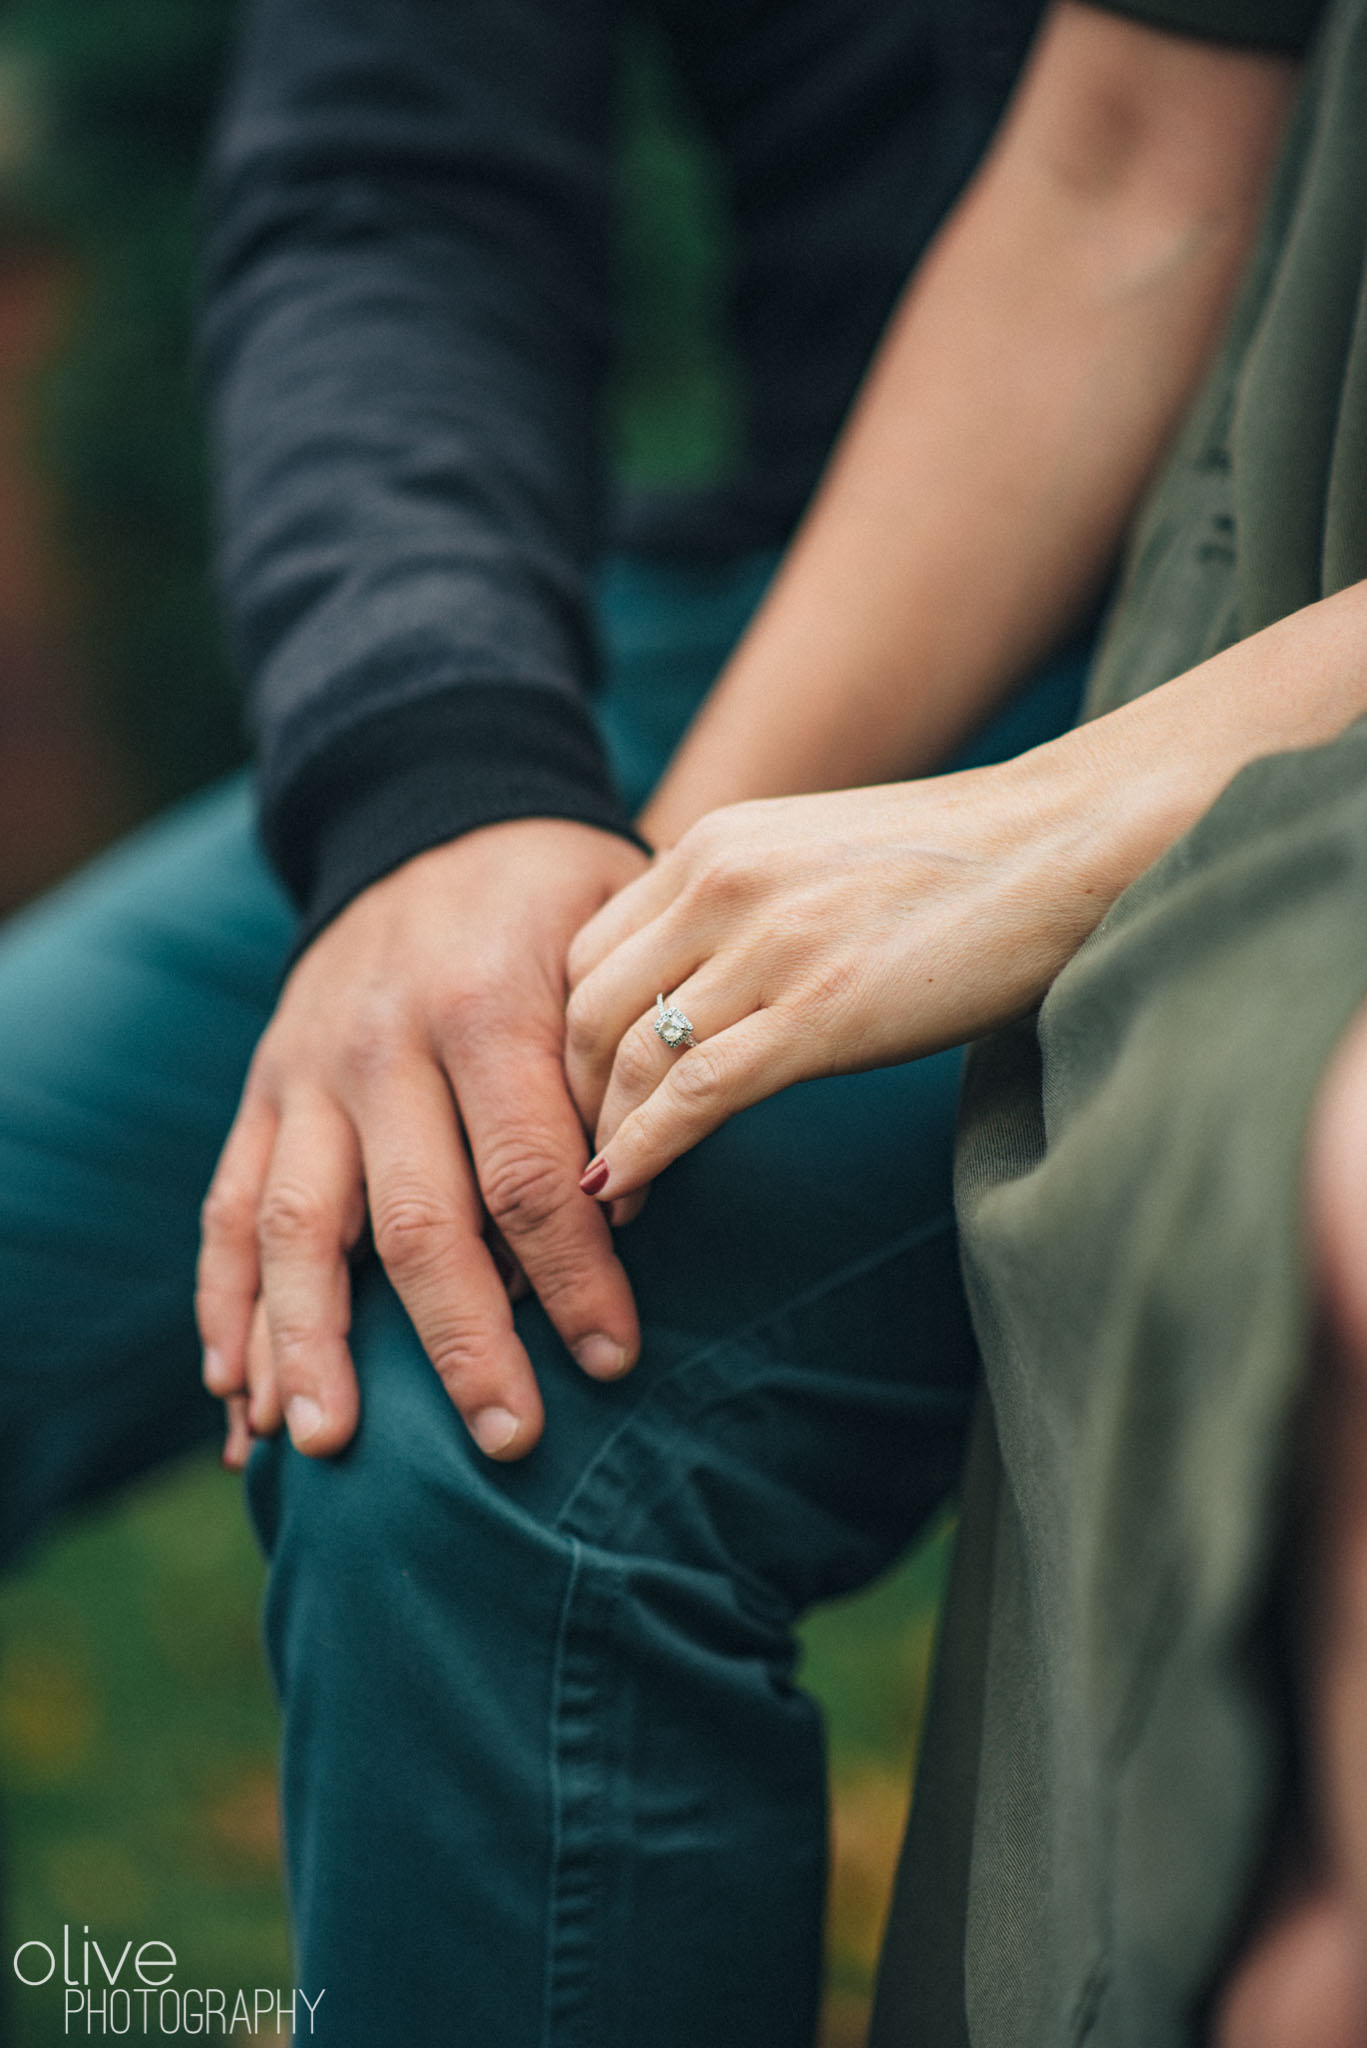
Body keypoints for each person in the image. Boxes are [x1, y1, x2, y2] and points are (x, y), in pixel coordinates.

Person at [555, 0, 1367, 2040]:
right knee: (460, 1361)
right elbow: (1119, 161)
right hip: (1226, 586)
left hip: (1239, 747)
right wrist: (628, 924)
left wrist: (1059, 814)